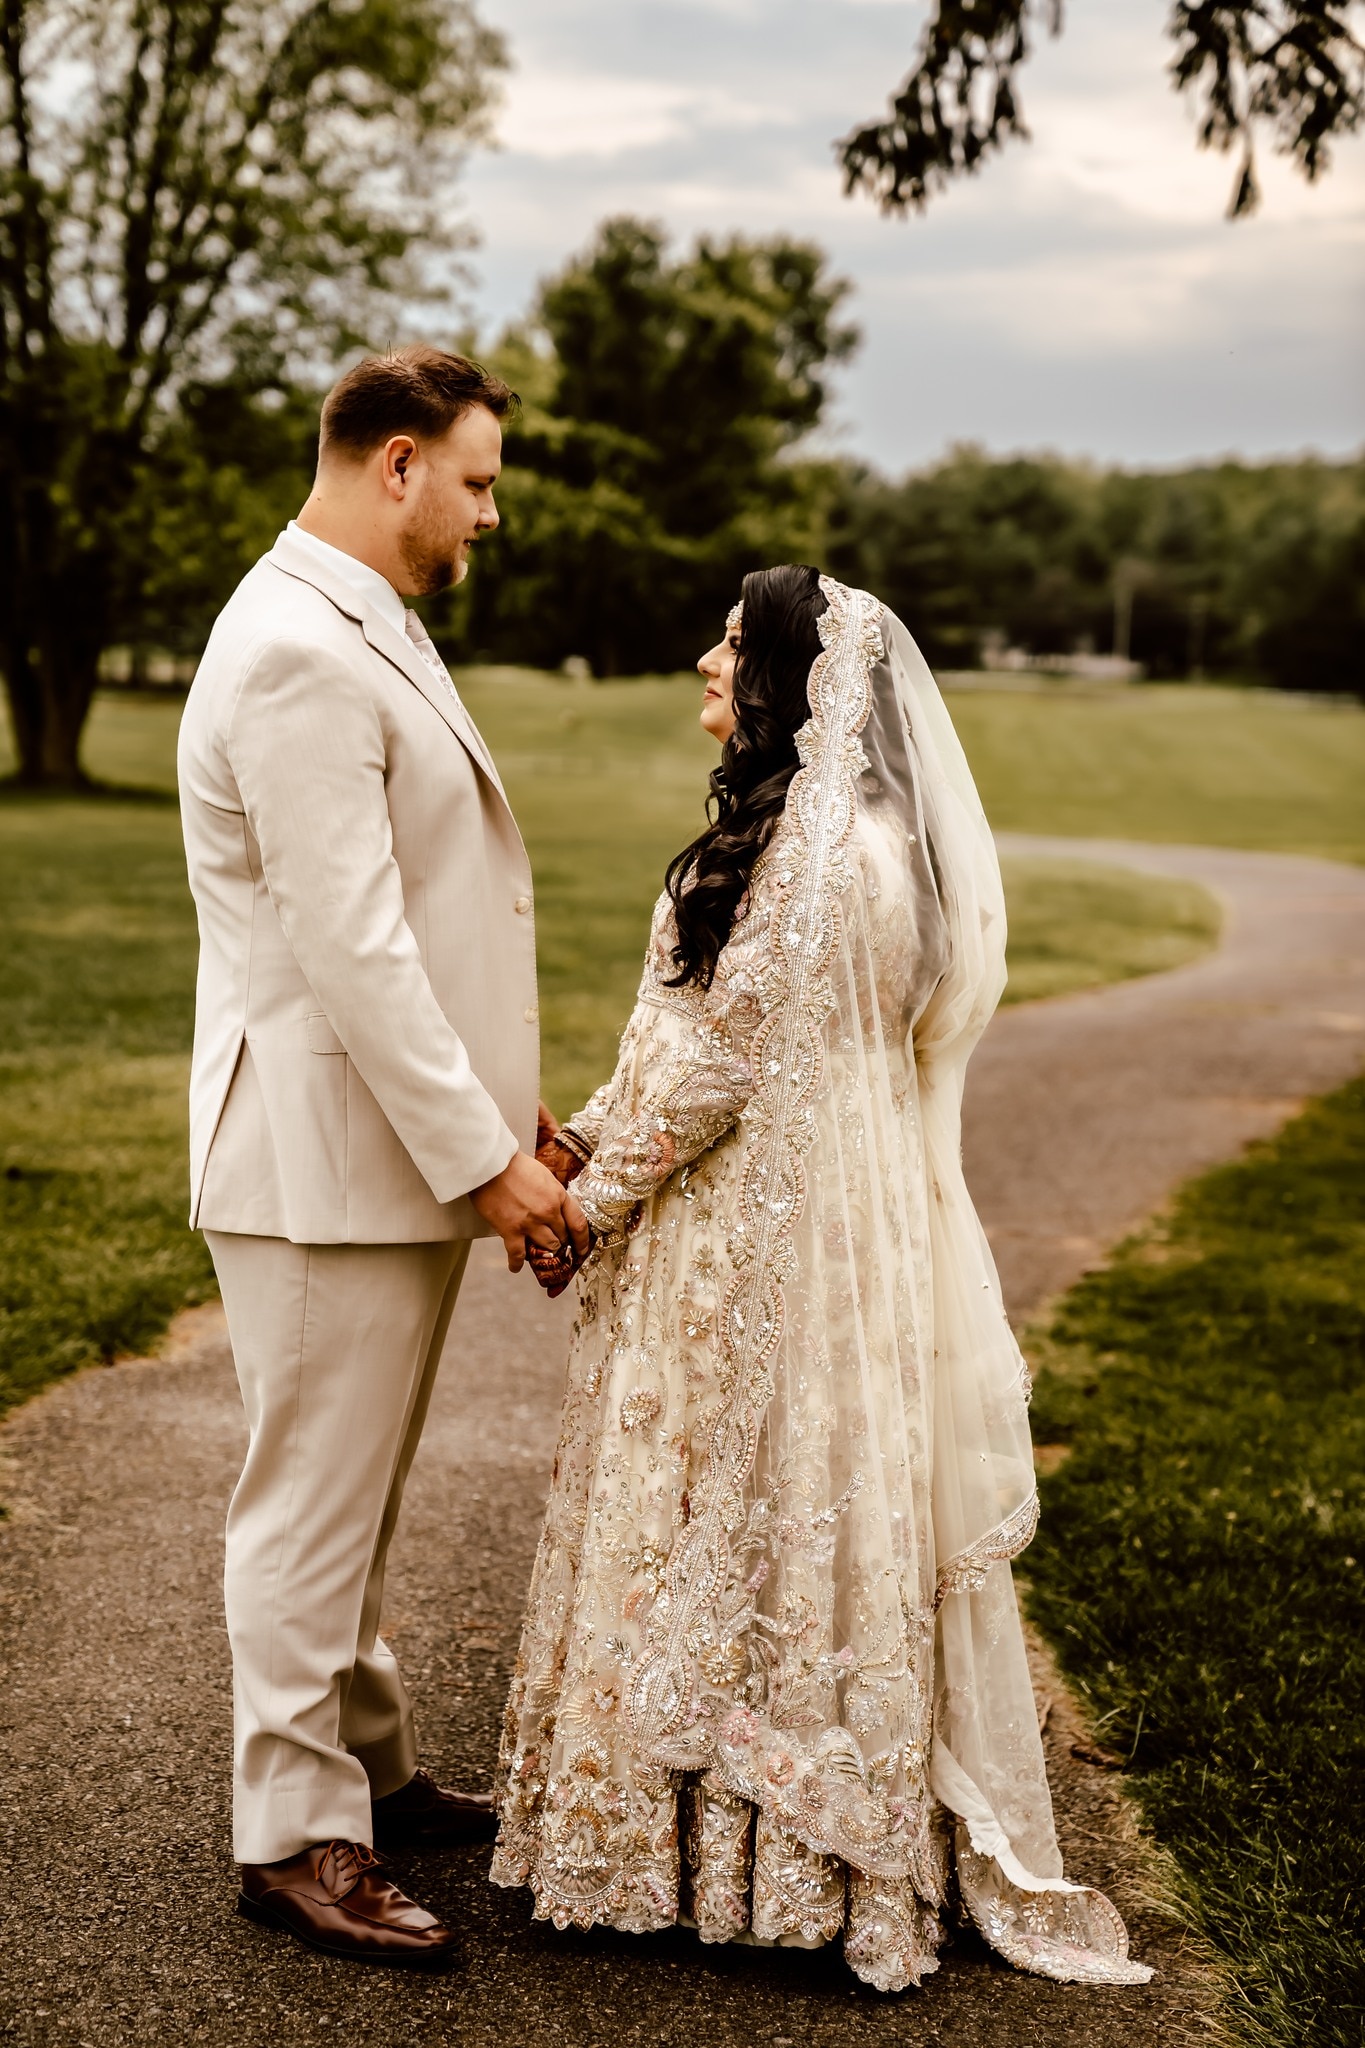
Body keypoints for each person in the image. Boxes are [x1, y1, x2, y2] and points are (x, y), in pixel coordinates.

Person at [494, 567, 1151, 1993]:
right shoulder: (834, 840)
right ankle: (729, 1847)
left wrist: (576, 1208)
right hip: (812, 1214)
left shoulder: (822, 859)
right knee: (770, 1503)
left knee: (734, 1500)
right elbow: (677, 1039)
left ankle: (742, 1859)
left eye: (730, 646)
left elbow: (721, 1070)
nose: (702, 662)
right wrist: (586, 1137)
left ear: (794, 681)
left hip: (764, 1231)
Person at [178, 344, 587, 1971]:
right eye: (476, 482)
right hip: (320, 1158)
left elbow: (428, 918)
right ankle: (293, 1840)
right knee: (303, 1504)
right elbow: (353, 949)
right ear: (398, 463)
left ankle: (371, 1765)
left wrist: (506, 1120)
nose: (487, 517)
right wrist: (485, 1162)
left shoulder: (364, 622)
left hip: (380, 1152)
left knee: (355, 1492)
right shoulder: (293, 646)